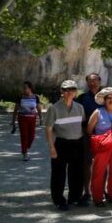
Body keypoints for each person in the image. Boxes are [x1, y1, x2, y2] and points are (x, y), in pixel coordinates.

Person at [44, 80, 86, 210]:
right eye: (66, 89)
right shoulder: (54, 108)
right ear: (62, 91)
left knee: (77, 172)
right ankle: (59, 200)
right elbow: (49, 129)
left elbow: (83, 125)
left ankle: (75, 197)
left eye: (73, 89)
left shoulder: (80, 107)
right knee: (58, 174)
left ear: (76, 92)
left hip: (77, 143)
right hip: (61, 143)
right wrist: (51, 147)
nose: (70, 92)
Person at [87, 87, 112, 207]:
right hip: (103, 144)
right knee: (99, 171)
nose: (111, 100)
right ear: (104, 100)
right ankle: (97, 198)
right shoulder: (98, 112)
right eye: (108, 98)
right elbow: (89, 129)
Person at [75, 72, 102, 203]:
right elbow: (76, 116)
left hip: (103, 134)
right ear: (87, 83)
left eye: (95, 80)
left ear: (100, 82)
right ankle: (87, 191)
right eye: (90, 81)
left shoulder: (106, 97)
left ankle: (101, 189)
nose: (93, 83)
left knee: (103, 163)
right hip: (86, 135)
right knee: (86, 163)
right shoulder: (81, 98)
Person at [12, 81, 42, 161]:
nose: (24, 89)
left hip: (32, 119)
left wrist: (41, 118)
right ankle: (24, 153)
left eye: (26, 88)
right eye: (23, 88)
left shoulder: (35, 97)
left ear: (30, 88)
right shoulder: (20, 97)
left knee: (32, 136)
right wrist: (13, 120)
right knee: (24, 136)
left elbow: (39, 108)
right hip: (22, 119)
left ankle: (26, 146)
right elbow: (15, 109)